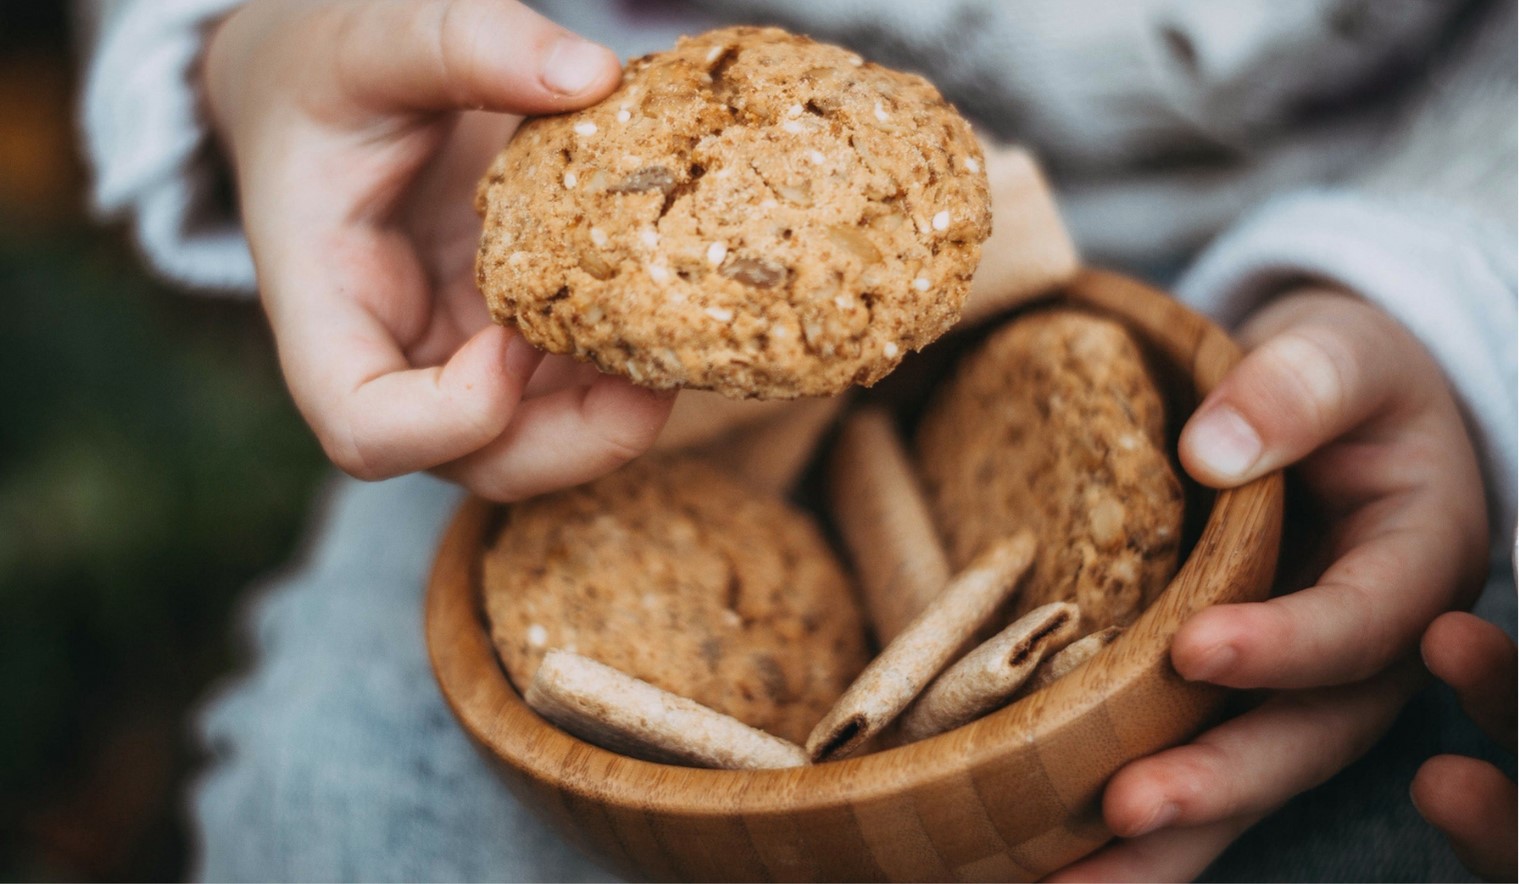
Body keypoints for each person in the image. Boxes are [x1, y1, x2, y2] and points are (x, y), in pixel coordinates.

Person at [80, 0, 1515, 879]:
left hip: (1362, 269)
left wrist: (1450, 285)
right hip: (523, 303)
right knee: (339, 812)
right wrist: (261, 39)